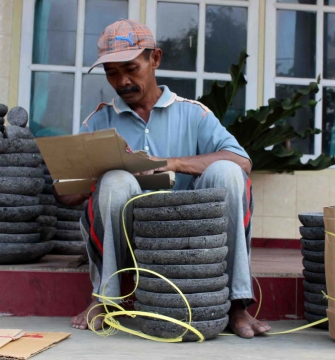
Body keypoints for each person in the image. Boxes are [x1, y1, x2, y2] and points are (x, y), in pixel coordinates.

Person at [55, 19, 270, 338]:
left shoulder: (194, 114)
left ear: (154, 59)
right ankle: (107, 299)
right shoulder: (99, 121)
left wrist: (174, 163)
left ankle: (237, 305)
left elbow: (242, 161)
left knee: (229, 172)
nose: (122, 81)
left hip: (195, 238)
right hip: (134, 240)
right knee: (113, 180)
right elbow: (68, 196)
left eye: (131, 68)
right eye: (112, 73)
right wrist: (101, 169)